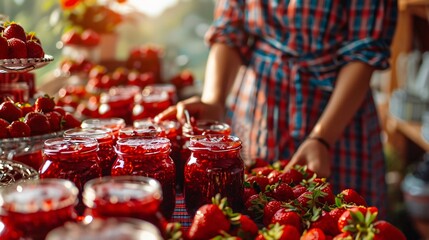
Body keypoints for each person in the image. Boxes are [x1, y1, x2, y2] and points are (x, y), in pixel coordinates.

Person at [156, 0, 398, 217]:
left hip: (339, 117)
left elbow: (364, 51)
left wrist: (322, 138)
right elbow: (230, 31)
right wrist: (214, 101)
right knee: (256, 210)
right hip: (259, 112)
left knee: (340, 219)